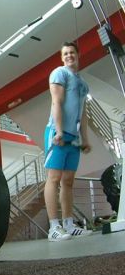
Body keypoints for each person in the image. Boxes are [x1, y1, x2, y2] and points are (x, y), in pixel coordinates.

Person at [44, 41, 93, 242]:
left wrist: (85, 138)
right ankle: (53, 228)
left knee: (68, 181)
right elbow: (56, 102)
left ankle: (69, 225)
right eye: (65, 53)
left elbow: (83, 113)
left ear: (78, 54)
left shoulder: (83, 84)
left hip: (73, 137)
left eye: (72, 52)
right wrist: (58, 131)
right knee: (54, 178)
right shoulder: (59, 73)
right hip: (57, 133)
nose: (69, 56)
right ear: (62, 57)